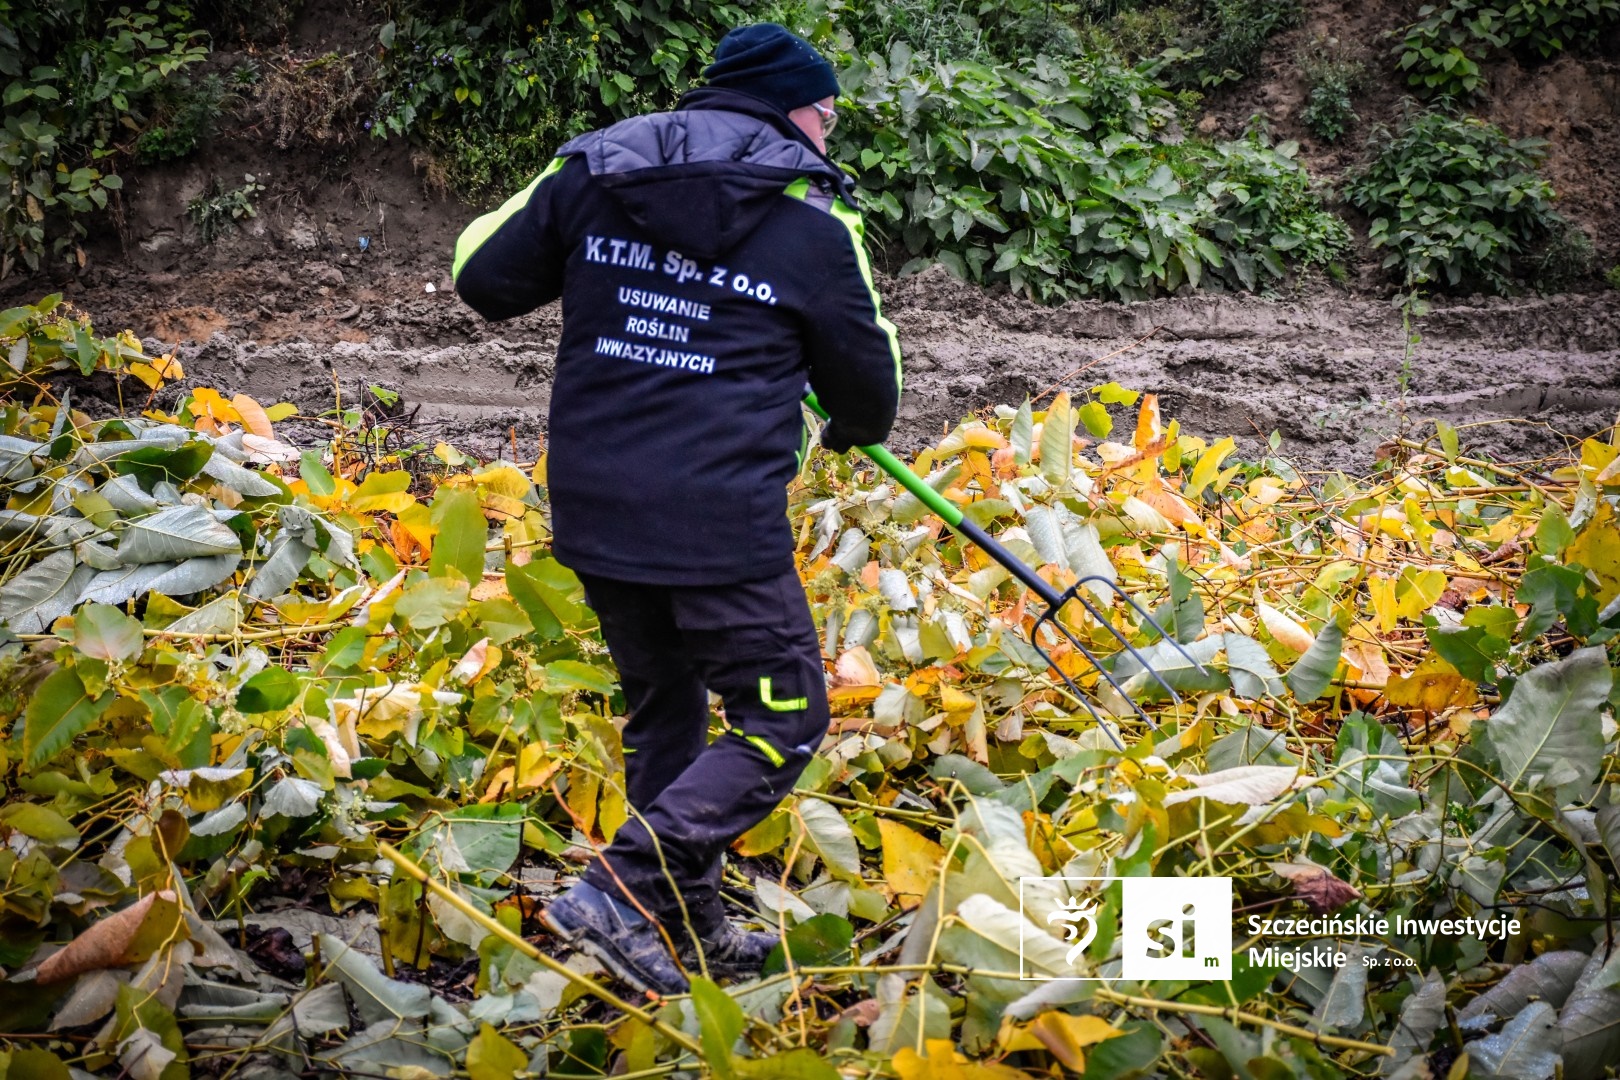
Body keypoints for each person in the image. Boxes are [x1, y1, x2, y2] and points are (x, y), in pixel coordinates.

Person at [452, 23, 902, 995]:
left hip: (596, 502)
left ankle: (682, 926)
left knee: (667, 714)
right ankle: (623, 888)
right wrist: (837, 421)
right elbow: (870, 393)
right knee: (784, 715)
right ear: (796, 109)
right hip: (716, 519)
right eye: (829, 113)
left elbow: (482, 276)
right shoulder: (816, 219)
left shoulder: (597, 168)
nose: (831, 132)